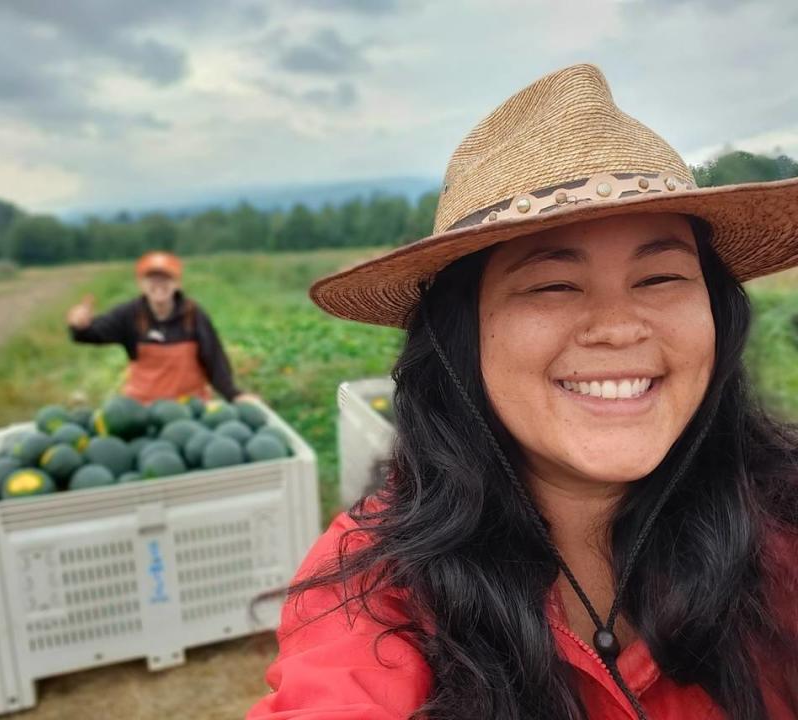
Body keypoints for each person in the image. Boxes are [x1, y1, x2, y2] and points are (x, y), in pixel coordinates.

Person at [248, 64, 798, 719]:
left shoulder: (780, 526)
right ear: (462, 335)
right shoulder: (377, 585)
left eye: (660, 278)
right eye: (552, 286)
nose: (619, 328)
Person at [67, 251, 251, 404]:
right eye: (152, 278)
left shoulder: (194, 315)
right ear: (141, 284)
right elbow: (90, 334)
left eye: (166, 278)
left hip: (189, 408)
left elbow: (214, 359)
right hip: (142, 409)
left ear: (177, 283)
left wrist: (234, 394)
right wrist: (79, 325)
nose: (159, 284)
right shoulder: (129, 314)